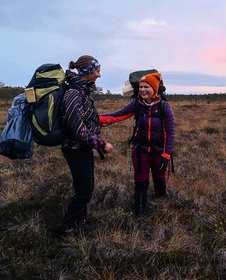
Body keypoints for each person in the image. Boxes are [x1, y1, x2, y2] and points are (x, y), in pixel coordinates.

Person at [100, 72, 175, 216]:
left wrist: (166, 155)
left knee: (159, 177)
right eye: (140, 87)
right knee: (141, 181)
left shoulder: (164, 106)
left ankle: (161, 202)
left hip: (159, 151)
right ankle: (139, 212)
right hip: (140, 151)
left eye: (146, 87)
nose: (142, 90)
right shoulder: (137, 104)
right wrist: (96, 119)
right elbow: (118, 115)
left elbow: (170, 133)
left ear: (154, 89)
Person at [60, 55, 114, 233]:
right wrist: (102, 144)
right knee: (84, 191)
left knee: (85, 187)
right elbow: (78, 130)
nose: (99, 75)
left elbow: (85, 118)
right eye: (97, 71)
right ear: (88, 72)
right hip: (75, 149)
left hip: (83, 149)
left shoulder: (83, 91)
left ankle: (79, 221)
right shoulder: (73, 94)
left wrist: (99, 123)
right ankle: (68, 228)